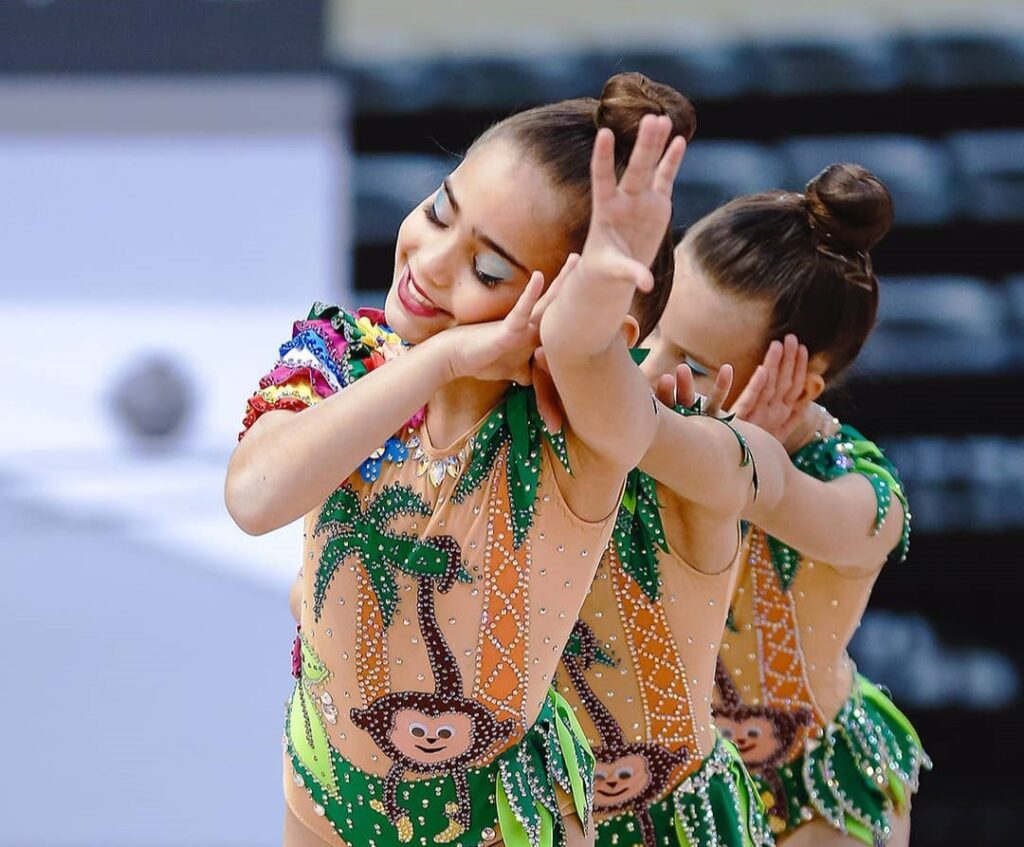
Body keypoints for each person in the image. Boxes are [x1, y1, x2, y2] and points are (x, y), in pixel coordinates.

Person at [225, 73, 694, 847]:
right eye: (442, 210)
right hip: (324, 798)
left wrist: (602, 291)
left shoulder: (572, 438)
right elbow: (255, 495)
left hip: (500, 824)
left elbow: (584, 351)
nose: (432, 262)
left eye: (488, 270)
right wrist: (438, 362)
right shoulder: (343, 356)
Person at [546, 165, 926, 847]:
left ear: (797, 381)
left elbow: (763, 485)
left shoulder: (862, 495)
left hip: (809, 791)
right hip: (654, 786)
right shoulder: (636, 412)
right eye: (652, 328)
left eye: (688, 359)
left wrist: (733, 453)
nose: (647, 366)